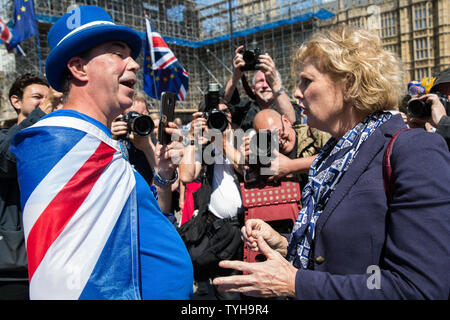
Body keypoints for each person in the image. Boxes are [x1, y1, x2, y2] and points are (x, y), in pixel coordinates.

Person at [213, 25, 450, 299]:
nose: (297, 92)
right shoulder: (332, 156)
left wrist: (295, 284)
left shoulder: (414, 149)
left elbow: (418, 288)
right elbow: (347, 255)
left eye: (306, 81)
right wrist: (284, 244)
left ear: (348, 85)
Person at [10, 5, 193, 300]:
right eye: (118, 53)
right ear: (79, 68)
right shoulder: (58, 139)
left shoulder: (96, 141)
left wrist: (162, 173)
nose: (134, 64)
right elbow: (60, 276)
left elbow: (139, 217)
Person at [0, 73, 60, 300]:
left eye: (50, 98)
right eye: (37, 97)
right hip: (15, 270)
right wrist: (43, 111)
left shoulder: (60, 143)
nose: (46, 102)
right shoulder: (4, 138)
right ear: (16, 101)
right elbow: (8, 158)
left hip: (54, 263)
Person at [179, 100, 244, 300]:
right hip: (221, 234)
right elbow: (186, 176)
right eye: (213, 114)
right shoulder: (205, 147)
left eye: (224, 111)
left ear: (231, 114)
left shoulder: (247, 137)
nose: (221, 116)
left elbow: (248, 169)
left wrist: (222, 141)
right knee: (228, 294)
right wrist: (192, 140)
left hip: (249, 227)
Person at [247, 108, 330, 187]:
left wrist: (291, 166)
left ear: (286, 121)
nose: (278, 141)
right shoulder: (265, 154)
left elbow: (334, 157)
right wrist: (249, 161)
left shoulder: (315, 134)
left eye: (278, 133)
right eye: (270, 138)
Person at [224, 45, 296, 131]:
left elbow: (292, 121)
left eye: (269, 81)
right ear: (253, 88)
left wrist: (275, 82)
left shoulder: (291, 107)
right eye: (260, 81)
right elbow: (224, 102)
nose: (265, 85)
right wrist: (236, 76)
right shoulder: (244, 110)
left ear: (279, 85)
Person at [408, 67, 450, 147]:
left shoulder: (443, 125)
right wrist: (417, 132)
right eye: (441, 94)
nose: (447, 99)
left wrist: (443, 123)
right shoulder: (436, 131)